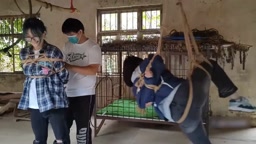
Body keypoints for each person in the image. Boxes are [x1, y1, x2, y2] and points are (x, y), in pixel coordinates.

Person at [123, 54, 255, 144]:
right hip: (185, 95)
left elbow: (142, 104)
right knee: (209, 64)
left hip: (181, 117)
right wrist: (150, 64)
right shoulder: (144, 66)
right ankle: (236, 100)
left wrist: (150, 80)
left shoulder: (136, 89)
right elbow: (157, 59)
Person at [18, 17, 70, 144]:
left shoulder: (53, 51)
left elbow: (64, 77)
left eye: (34, 36)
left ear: (43, 33)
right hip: (34, 102)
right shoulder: (24, 53)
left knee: (61, 139)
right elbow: (27, 73)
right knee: (39, 139)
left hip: (54, 101)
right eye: (28, 37)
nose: (32, 40)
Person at [61, 18, 102, 144]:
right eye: (67, 35)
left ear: (80, 32)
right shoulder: (67, 46)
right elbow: (62, 64)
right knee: (62, 127)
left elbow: (93, 70)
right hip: (67, 92)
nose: (69, 37)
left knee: (82, 130)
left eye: (71, 35)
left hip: (85, 94)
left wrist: (69, 66)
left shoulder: (93, 47)